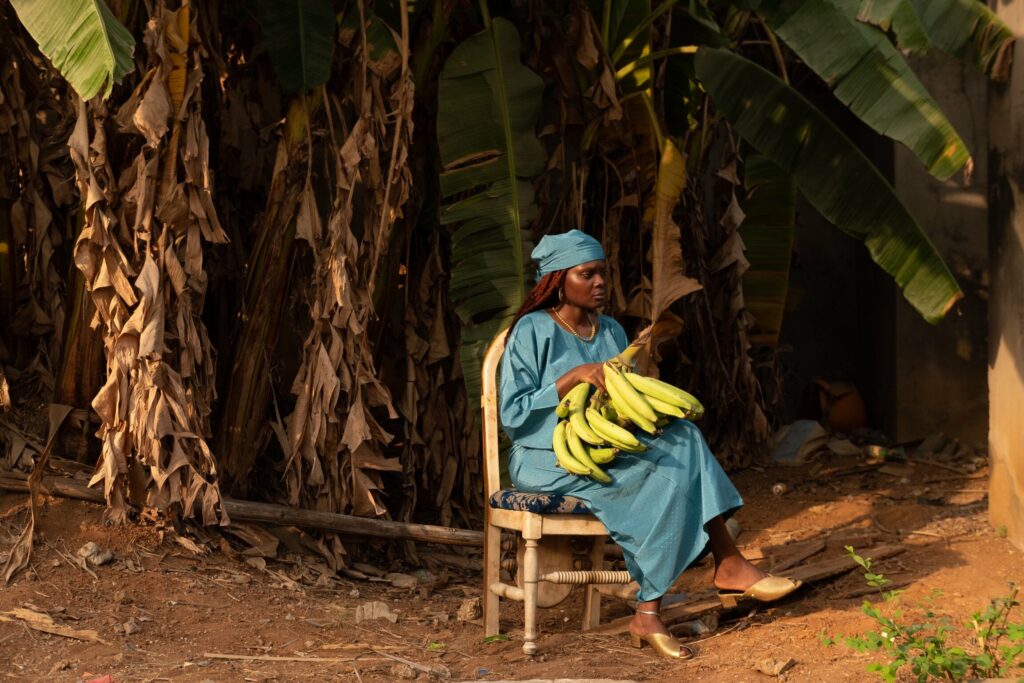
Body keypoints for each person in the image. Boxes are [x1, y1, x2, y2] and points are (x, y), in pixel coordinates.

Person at [498, 229, 801, 659]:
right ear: (559, 279)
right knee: (654, 478)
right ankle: (674, 595)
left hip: (607, 445)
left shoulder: (612, 332)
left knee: (685, 439)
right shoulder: (533, 330)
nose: (601, 282)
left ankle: (714, 571)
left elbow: (625, 401)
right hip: (544, 457)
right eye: (588, 274)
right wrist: (572, 377)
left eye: (603, 273)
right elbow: (513, 414)